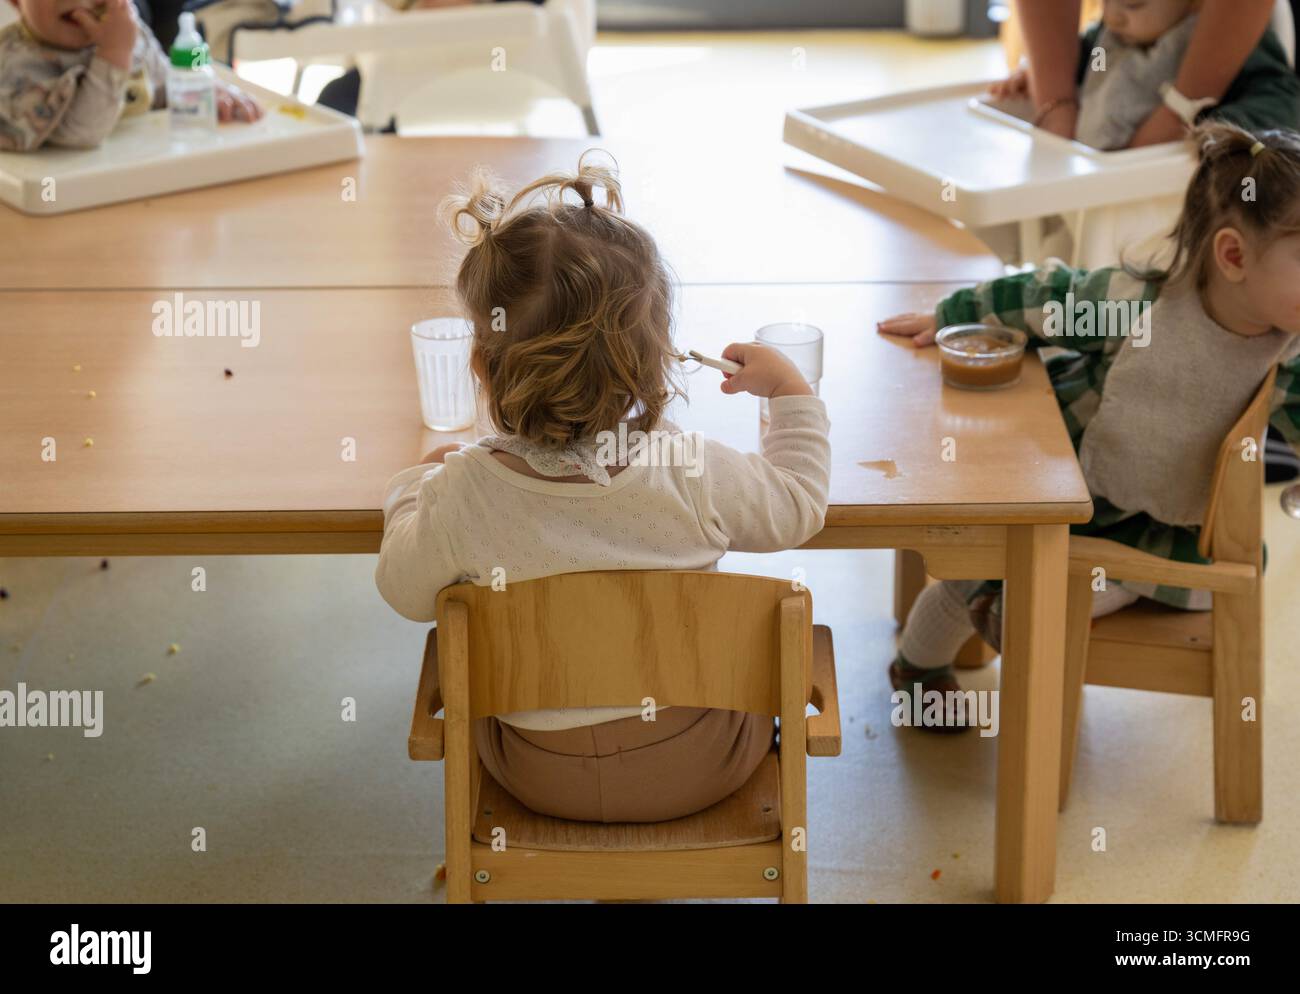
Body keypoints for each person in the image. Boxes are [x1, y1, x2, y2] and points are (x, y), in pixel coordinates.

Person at [374, 153, 832, 821]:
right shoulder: (690, 470)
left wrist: (420, 483)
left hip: (536, 774)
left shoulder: (465, 491)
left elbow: (402, 590)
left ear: (482, 362)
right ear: (655, 358)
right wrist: (791, 391)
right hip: (704, 764)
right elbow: (800, 505)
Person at [878, 121, 1300, 730]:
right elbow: (1046, 294)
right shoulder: (1139, 304)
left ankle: (1011, 609)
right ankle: (916, 672)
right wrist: (953, 314)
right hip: (1068, 494)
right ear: (1233, 256)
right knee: (973, 568)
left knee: (1044, 598)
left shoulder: (1291, 348)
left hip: (1171, 528)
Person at [0, 0, 261, 152]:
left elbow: (161, 81)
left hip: (131, 183)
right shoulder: (13, 66)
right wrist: (113, 54)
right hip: (54, 200)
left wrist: (203, 90)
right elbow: (79, 135)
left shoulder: (124, 33)